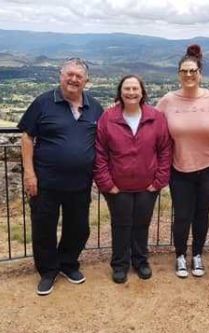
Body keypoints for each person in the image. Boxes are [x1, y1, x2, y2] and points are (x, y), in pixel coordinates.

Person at [18, 58, 103, 295]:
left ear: (86, 81)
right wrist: (29, 173)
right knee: (44, 227)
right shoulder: (43, 102)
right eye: (70, 74)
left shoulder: (95, 107)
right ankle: (48, 271)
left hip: (80, 183)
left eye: (79, 76)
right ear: (61, 75)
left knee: (78, 227)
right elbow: (27, 137)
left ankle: (68, 263)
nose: (74, 79)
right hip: (45, 182)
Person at [94, 75, 172, 284]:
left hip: (148, 185)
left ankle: (140, 261)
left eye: (135, 89)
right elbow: (100, 153)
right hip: (117, 186)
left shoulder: (156, 117)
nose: (131, 92)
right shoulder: (108, 118)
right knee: (121, 225)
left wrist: (159, 181)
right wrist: (107, 183)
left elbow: (165, 150)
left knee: (141, 225)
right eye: (127, 89)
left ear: (142, 92)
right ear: (120, 92)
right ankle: (120, 264)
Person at [156, 45, 209, 278]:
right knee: (183, 214)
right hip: (180, 167)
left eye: (192, 71)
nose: (188, 75)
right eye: (184, 71)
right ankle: (179, 256)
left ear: (200, 73)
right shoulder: (168, 100)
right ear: (178, 74)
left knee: (202, 213)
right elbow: (150, 124)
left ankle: (197, 254)